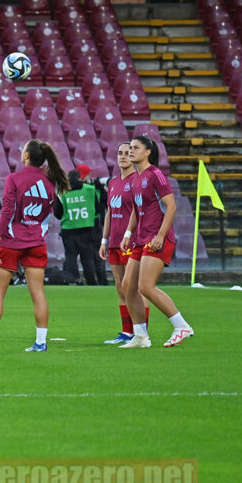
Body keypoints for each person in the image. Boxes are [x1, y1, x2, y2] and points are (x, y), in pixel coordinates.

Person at [0, 140, 70, 353]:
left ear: (26, 156)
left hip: (11, 240)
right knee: (38, 293)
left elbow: (7, 211)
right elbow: (49, 214)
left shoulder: (14, 178)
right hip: (36, 241)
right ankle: (41, 342)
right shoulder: (49, 183)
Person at [118, 135, 194, 349]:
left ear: (147, 152)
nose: (131, 151)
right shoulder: (134, 178)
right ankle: (141, 336)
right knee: (128, 286)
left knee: (145, 286)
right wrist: (127, 233)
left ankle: (181, 326)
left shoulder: (156, 174)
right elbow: (135, 208)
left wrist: (160, 235)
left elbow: (171, 206)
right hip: (141, 238)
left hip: (157, 237)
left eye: (135, 148)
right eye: (129, 148)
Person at [99, 142, 149, 344]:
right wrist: (104, 239)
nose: (123, 156)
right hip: (114, 242)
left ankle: (142, 332)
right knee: (120, 287)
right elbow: (110, 212)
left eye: (128, 153)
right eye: (120, 153)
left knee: (134, 287)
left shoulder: (138, 180)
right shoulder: (112, 183)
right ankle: (128, 332)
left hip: (133, 242)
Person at [57, 169, 104, 285]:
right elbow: (98, 209)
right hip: (86, 229)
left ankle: (74, 282)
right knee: (87, 259)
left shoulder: (61, 191)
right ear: (80, 178)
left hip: (68, 230)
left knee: (71, 258)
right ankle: (91, 283)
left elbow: (57, 213)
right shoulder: (90, 189)